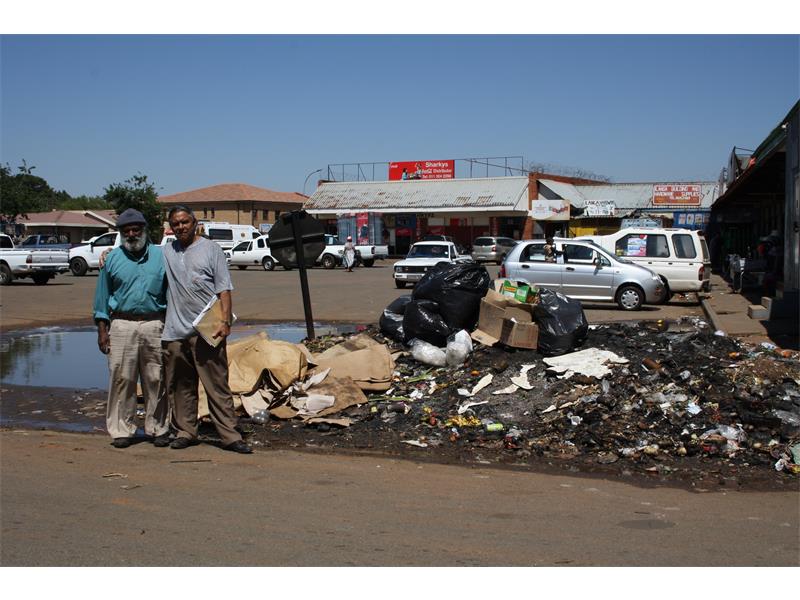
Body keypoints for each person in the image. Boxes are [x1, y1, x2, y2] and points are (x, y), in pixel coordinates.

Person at [161, 205, 252, 454]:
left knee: (216, 384)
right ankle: (185, 431)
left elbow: (224, 288)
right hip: (175, 331)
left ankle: (229, 435)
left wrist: (225, 322)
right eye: (175, 224)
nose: (181, 227)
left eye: (184, 222)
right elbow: (139, 256)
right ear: (171, 227)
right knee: (181, 386)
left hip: (207, 330)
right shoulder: (166, 251)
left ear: (195, 223)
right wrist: (107, 254)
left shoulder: (211, 249)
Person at [93, 208, 170, 449]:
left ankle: (158, 428)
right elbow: (102, 297)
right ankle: (122, 430)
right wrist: (102, 331)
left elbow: (171, 293)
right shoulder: (112, 259)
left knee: (156, 378)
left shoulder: (161, 256)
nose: (132, 234)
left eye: (136, 229)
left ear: (144, 230)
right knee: (122, 378)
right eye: (126, 231)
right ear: (121, 233)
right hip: (121, 324)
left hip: (154, 324)